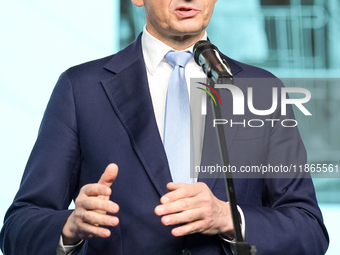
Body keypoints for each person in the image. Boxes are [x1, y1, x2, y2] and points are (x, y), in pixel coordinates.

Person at [0, 0, 329, 254]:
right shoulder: (81, 88)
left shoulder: (260, 88)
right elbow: (18, 227)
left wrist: (230, 218)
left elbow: (309, 229)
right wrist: (71, 225)